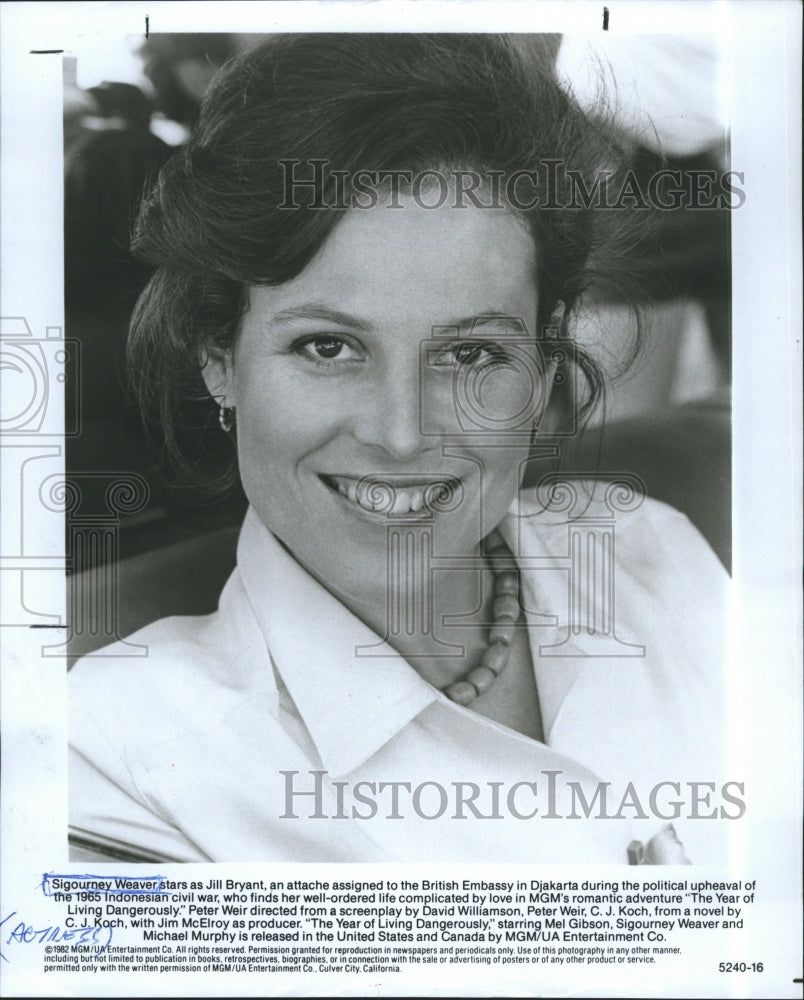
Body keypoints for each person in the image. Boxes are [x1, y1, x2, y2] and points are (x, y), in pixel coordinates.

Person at [68, 34, 731, 865]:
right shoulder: (116, 758)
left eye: (472, 353)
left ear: (544, 358)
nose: (402, 433)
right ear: (217, 356)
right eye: (327, 347)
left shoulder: (651, 550)